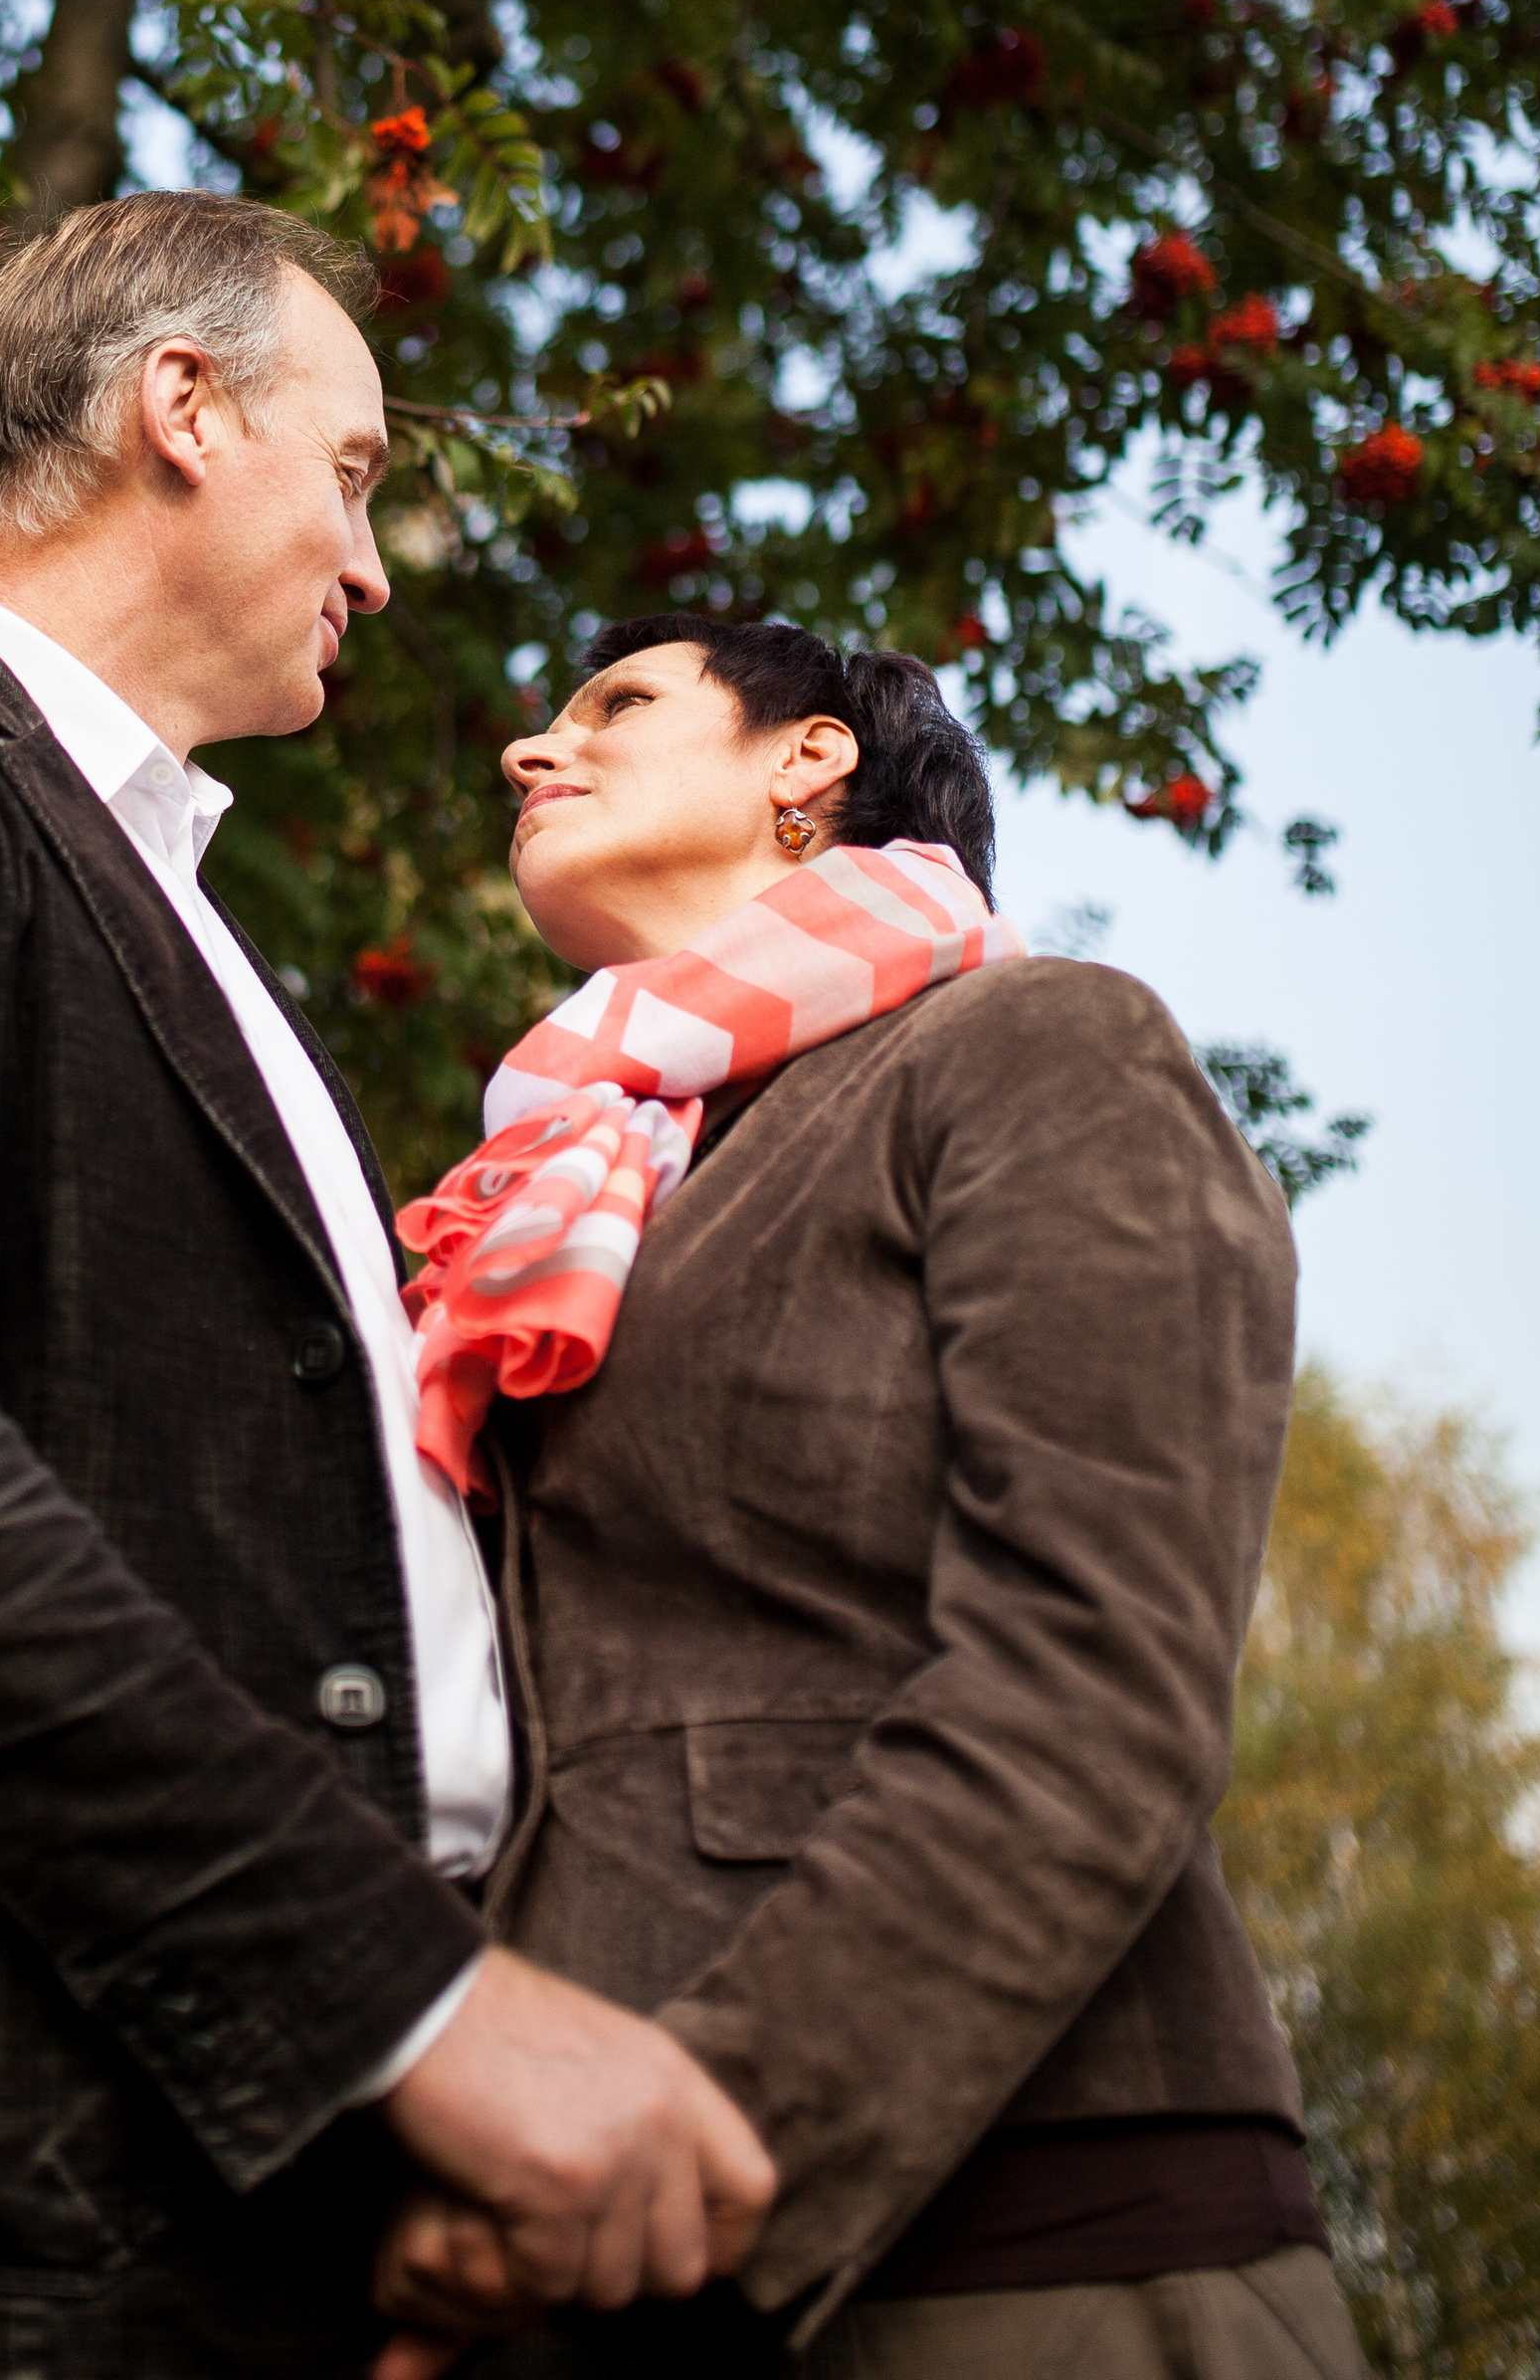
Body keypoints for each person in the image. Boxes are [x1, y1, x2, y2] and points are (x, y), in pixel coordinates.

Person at [0, 197, 771, 2380]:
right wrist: (408, 2005)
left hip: (266, 2211)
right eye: (360, 472)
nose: (378, 570)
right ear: (177, 409)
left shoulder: (178, 914)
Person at [373, 618, 1362, 2380]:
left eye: (613, 707)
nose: (531, 751)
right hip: (578, 2250)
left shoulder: (1038, 1052)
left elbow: (1094, 1688)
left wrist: (705, 2123)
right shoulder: (554, 1197)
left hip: (1024, 2251)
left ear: (806, 766)